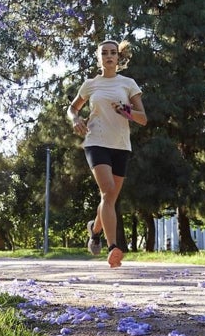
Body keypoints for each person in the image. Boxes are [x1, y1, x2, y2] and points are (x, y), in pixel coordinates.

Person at [67, 39, 147, 268]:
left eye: (113, 53)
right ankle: (113, 248)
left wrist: (126, 111)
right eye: (104, 53)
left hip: (121, 145)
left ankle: (95, 229)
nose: (109, 56)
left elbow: (143, 119)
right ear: (99, 57)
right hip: (96, 141)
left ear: (118, 58)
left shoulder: (129, 84)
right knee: (108, 191)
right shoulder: (90, 85)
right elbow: (73, 108)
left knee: (109, 198)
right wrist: (75, 119)